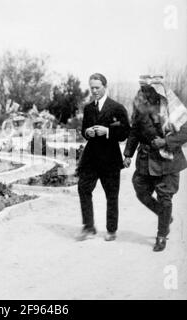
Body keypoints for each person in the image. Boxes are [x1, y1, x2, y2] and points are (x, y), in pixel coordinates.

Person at [123, 75, 187, 252]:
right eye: (141, 91)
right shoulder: (140, 109)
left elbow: (185, 132)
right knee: (140, 190)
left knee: (165, 197)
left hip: (168, 161)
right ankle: (165, 216)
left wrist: (166, 142)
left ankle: (161, 234)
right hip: (145, 160)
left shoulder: (172, 108)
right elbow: (134, 132)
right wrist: (128, 154)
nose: (143, 95)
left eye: (146, 92)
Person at [77, 73, 130, 241]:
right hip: (91, 158)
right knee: (83, 188)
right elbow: (84, 129)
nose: (94, 91)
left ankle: (111, 230)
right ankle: (89, 227)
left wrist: (107, 131)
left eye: (97, 88)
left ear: (105, 87)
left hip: (110, 159)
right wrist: (88, 132)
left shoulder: (117, 108)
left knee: (111, 195)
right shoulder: (88, 108)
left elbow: (125, 133)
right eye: (91, 88)